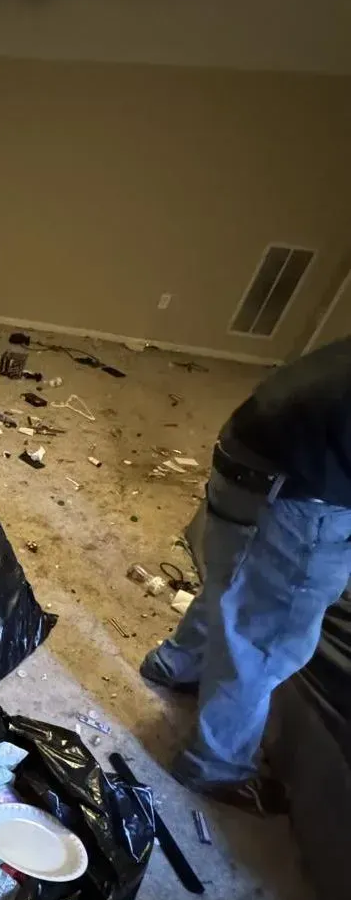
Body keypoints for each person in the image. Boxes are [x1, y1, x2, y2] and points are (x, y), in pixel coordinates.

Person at [141, 336, 351, 815]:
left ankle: (176, 664)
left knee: (232, 574)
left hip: (244, 455)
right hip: (298, 495)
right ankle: (214, 766)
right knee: (266, 638)